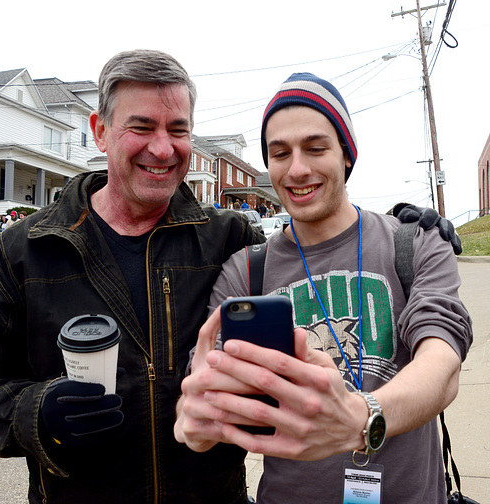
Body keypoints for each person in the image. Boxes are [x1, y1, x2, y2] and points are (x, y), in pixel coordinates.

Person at [0, 49, 264, 504]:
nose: (163, 148)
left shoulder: (229, 240)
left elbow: (318, 277)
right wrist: (35, 414)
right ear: (100, 131)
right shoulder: (24, 249)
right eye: (141, 127)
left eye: (178, 130)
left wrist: (395, 237)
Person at [174, 73, 473, 503]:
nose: (297, 169)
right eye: (280, 153)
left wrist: (360, 417)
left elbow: (442, 367)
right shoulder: (245, 273)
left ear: (346, 156)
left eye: (315, 148)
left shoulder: (415, 242)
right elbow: (202, 402)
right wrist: (196, 418)